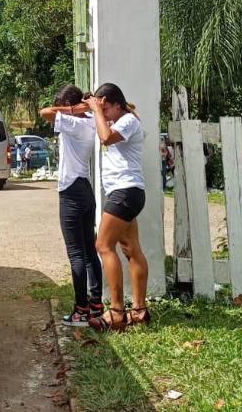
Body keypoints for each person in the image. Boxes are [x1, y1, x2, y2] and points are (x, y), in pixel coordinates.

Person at [86, 82, 148, 331]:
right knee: (131, 249)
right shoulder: (118, 118)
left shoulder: (128, 121)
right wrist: (92, 106)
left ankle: (116, 312)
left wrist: (97, 111)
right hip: (126, 192)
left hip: (125, 191)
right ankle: (140, 311)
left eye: (107, 108)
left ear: (118, 105)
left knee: (103, 245)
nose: (104, 113)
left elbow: (106, 138)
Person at [39, 85, 103, 327]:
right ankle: (96, 304)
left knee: (76, 253)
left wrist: (72, 109)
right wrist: (84, 107)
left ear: (70, 105)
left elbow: (45, 112)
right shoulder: (91, 122)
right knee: (89, 252)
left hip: (71, 191)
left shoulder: (74, 122)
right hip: (85, 188)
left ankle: (81, 310)